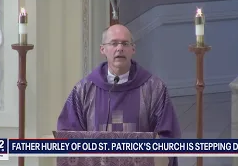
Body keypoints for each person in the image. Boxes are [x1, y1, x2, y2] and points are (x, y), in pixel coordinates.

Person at [57, 24, 181, 165]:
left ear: (133, 49)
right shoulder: (84, 90)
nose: (120, 48)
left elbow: (168, 135)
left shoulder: (154, 88)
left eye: (125, 43)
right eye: (114, 43)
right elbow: (68, 133)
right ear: (103, 49)